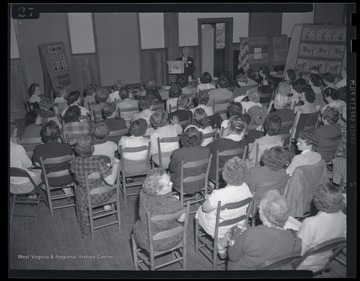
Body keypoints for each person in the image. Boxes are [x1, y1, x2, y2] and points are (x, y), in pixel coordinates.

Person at [224, 190, 302, 270]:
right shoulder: (294, 238)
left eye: (260, 208)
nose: (258, 209)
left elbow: (233, 256)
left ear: (267, 216)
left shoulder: (251, 234)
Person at [196, 156, 253, 255]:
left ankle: (219, 243)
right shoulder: (246, 188)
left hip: (218, 228)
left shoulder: (220, 194)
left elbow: (205, 208)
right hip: (238, 225)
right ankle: (224, 245)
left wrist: (210, 198)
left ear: (224, 175)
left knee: (199, 210)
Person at [70, 135, 120, 237]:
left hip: (85, 197)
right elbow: (110, 181)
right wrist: (115, 165)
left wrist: (92, 175)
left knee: (78, 188)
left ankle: (86, 229)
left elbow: (75, 173)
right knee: (110, 178)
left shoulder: (73, 162)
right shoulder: (98, 161)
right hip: (104, 194)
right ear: (92, 148)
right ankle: (107, 205)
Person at [132, 168, 186, 251]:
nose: (171, 183)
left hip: (145, 238)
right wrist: (176, 202)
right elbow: (182, 219)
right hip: (170, 239)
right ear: (158, 189)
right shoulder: (173, 203)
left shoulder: (143, 193)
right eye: (168, 184)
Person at [297, 182, 346, 272]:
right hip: (323, 260)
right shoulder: (344, 217)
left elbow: (299, 251)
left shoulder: (310, 222)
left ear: (317, 201)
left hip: (303, 264)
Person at [32, 121, 74, 192]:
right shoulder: (67, 146)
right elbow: (71, 161)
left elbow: (37, 164)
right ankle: (66, 188)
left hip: (49, 181)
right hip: (68, 178)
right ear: (58, 134)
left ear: (43, 135)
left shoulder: (38, 149)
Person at [207, 116, 248, 186]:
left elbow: (206, 150)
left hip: (218, 174)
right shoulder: (245, 142)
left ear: (228, 126)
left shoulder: (220, 142)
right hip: (236, 172)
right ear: (242, 129)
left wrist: (221, 137)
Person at [169, 127, 210, 192]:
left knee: (170, 174)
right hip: (201, 183)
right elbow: (205, 168)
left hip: (182, 185)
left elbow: (172, 169)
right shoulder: (206, 150)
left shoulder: (177, 153)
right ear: (199, 137)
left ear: (184, 138)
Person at [10, 120, 42, 195]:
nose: (17, 129)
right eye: (15, 128)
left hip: (11, 185)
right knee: (43, 171)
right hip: (26, 184)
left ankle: (32, 196)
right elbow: (29, 165)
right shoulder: (17, 148)